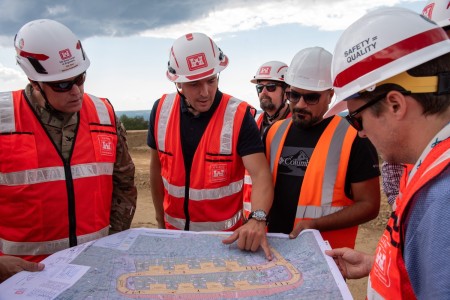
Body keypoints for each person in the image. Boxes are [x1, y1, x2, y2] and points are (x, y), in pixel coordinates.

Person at [324, 7, 450, 299]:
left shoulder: (442, 199)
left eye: (357, 119)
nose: (360, 132)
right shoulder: (425, 169)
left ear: (395, 104)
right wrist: (378, 266)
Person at [0, 19, 137, 273]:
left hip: (92, 269)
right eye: (62, 84)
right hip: (18, 279)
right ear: (34, 80)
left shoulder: (104, 116)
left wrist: (113, 242)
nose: (76, 91)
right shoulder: (3, 119)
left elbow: (124, 185)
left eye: (80, 78)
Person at [147, 32, 274, 260]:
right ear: (178, 82)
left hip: (224, 244)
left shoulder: (239, 116)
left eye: (211, 80)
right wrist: (159, 220)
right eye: (194, 84)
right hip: (174, 239)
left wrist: (257, 218)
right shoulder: (161, 111)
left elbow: (261, 174)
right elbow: (156, 169)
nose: (205, 92)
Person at [264, 46, 381, 250]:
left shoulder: (353, 136)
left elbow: (369, 206)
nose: (300, 104)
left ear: (330, 94)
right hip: (272, 250)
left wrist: (315, 225)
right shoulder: (273, 132)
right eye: (293, 95)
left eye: (311, 98)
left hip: (325, 256)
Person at [243, 61, 291, 218]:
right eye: (259, 87)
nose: (263, 92)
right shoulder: (252, 126)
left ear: (287, 91)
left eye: (270, 87)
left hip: (283, 216)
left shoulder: (297, 127)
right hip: (253, 215)